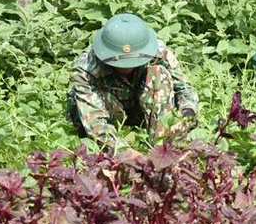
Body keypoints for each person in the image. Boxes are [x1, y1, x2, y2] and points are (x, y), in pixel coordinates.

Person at [67, 13, 199, 149]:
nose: (127, 67)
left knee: (160, 74)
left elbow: (185, 90)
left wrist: (186, 117)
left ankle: (162, 146)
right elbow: (94, 122)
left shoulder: (158, 52)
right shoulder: (86, 67)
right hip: (108, 110)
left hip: (143, 110)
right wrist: (124, 153)